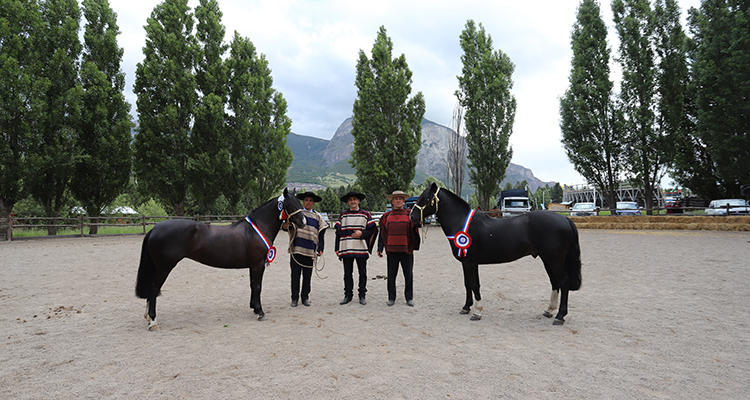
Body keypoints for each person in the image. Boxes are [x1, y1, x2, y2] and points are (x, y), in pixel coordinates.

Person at [282, 191, 328, 307]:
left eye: (310, 200)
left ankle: (305, 297)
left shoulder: (318, 217)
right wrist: (285, 226)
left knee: (307, 276)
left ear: (313, 203)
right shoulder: (297, 213)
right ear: (303, 201)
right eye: (306, 200)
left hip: (310, 250)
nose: (308, 202)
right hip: (296, 249)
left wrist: (320, 248)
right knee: (295, 275)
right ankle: (294, 298)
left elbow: (321, 233)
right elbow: (288, 226)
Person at [377, 190, 420, 307]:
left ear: (404, 201)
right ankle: (391, 298)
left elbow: (417, 227)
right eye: (395, 199)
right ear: (392, 201)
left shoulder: (410, 214)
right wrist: (380, 247)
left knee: (408, 275)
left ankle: (409, 298)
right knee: (391, 276)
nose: (398, 200)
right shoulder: (386, 216)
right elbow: (382, 233)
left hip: (407, 250)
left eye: (400, 198)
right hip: (391, 251)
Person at [334, 191, 377, 305]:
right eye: (350, 199)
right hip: (346, 247)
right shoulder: (343, 215)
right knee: (347, 273)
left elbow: (372, 230)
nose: (352, 201)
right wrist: (337, 248)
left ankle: (362, 295)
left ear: (358, 201)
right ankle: (348, 295)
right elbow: (338, 232)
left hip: (360, 248)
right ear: (348, 202)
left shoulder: (365, 214)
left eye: (354, 199)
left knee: (362, 272)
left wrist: (361, 234)